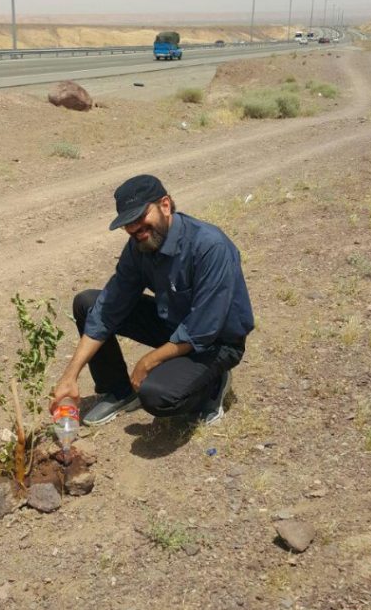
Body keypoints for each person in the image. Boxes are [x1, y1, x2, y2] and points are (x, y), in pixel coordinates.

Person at [51, 174, 254, 427]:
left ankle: (213, 384)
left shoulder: (209, 246)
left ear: (165, 206)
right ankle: (120, 392)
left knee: (156, 395)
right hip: (174, 326)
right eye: (128, 223)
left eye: (140, 217)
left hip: (215, 342)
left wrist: (148, 361)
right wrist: (70, 376)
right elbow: (108, 309)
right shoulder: (139, 245)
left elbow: (202, 330)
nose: (135, 229)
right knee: (89, 304)